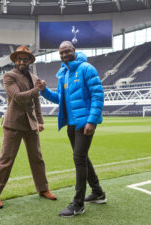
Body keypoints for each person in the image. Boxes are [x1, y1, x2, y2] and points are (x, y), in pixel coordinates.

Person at [37, 41, 106, 217]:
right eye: (61, 53)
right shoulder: (64, 74)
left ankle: (78, 204)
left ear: (73, 51)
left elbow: (98, 95)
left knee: (78, 158)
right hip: (71, 124)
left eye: (67, 51)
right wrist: (44, 90)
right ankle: (98, 193)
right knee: (83, 158)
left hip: (85, 124)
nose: (64, 55)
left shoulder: (86, 68)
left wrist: (91, 121)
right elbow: (60, 99)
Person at [0, 45, 57, 209]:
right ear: (15, 60)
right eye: (19, 58)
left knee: (37, 159)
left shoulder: (34, 77)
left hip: (31, 123)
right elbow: (18, 97)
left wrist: (40, 120)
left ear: (29, 61)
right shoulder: (8, 76)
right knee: (6, 160)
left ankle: (43, 189)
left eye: (24, 59)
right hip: (13, 123)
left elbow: (36, 102)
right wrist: (38, 89)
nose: (21, 61)